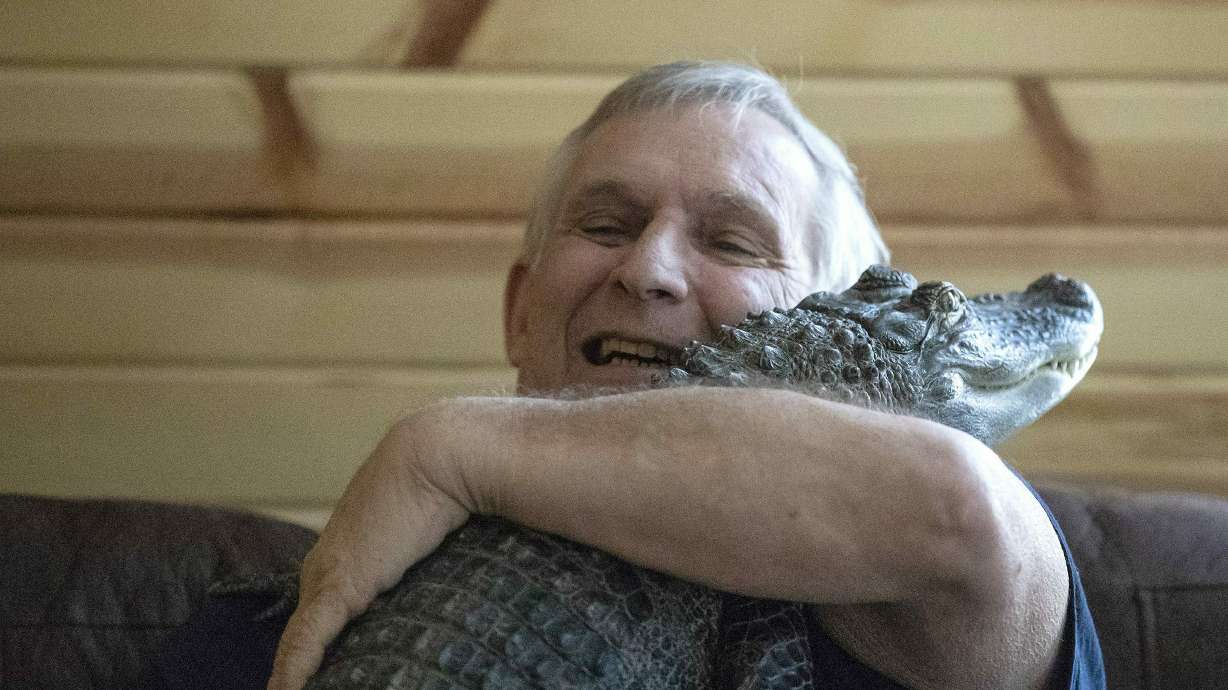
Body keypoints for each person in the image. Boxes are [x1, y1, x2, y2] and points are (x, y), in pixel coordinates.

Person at [254, 61, 1103, 689]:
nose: (649, 270)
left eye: (732, 241)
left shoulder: (938, 613)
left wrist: (447, 445)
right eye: (604, 224)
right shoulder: (270, 622)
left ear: (836, 311)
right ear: (521, 311)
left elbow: (954, 510)